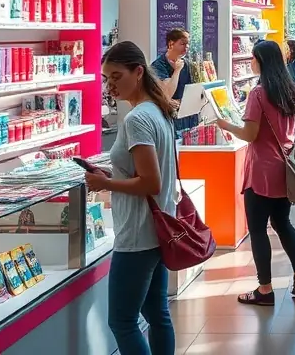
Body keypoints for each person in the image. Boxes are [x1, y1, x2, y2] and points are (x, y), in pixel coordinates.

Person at [86, 41, 177, 355]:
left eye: (116, 76)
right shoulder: (158, 110)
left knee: (122, 321)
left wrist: (105, 183)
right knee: (157, 314)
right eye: (106, 79)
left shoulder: (137, 119)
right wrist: (114, 175)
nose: (110, 85)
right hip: (159, 229)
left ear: (138, 72)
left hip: (137, 234)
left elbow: (150, 182)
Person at [212, 40, 295, 306]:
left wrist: (224, 124)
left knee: (257, 229)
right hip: (284, 169)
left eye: (252, 58)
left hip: (260, 172)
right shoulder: (290, 89)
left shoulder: (258, 93)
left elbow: (250, 134)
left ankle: (264, 289)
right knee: (282, 223)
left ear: (261, 61)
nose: (250, 62)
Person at [150, 28, 190, 109]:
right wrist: (177, 71)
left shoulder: (187, 64)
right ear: (171, 44)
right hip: (168, 115)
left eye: (188, 44)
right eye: (183, 44)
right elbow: (167, 94)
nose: (186, 47)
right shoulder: (157, 66)